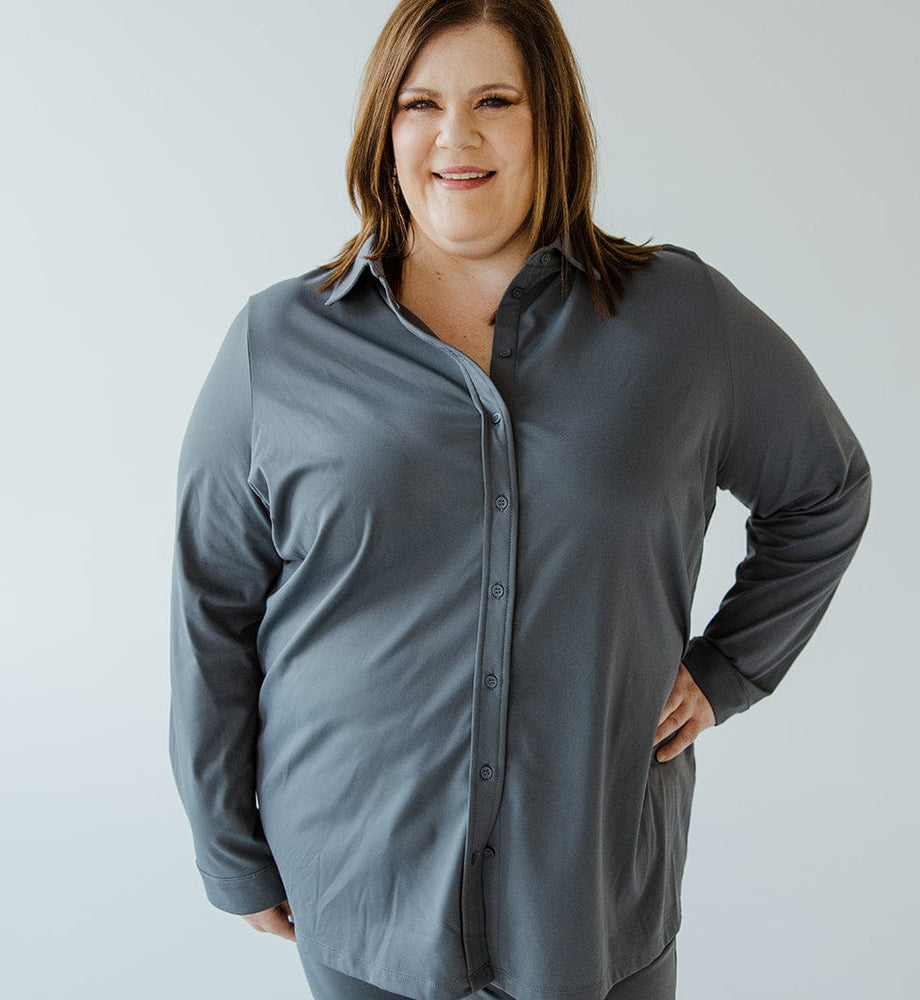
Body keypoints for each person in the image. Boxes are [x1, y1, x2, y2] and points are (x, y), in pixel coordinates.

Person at [168, 1, 872, 998]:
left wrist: (728, 669)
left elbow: (825, 489)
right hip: (359, 887)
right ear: (385, 130)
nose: (456, 136)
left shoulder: (680, 323)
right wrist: (228, 847)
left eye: (495, 100)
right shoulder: (276, 345)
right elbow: (211, 611)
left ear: (551, 122)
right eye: (422, 104)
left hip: (591, 898)